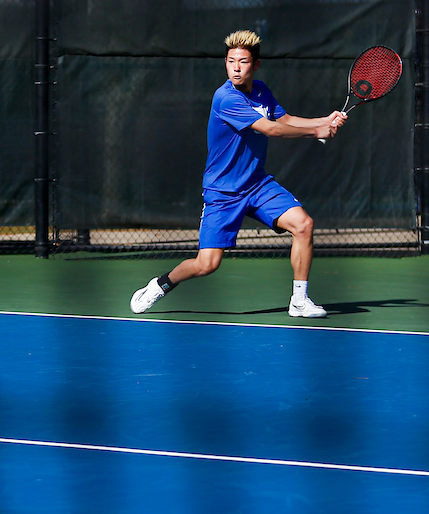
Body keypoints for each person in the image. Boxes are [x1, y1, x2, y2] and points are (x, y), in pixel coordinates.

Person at [130, 30, 346, 318]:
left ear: (254, 65)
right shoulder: (225, 98)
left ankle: (299, 300)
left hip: (257, 185)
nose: (235, 67)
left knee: (303, 225)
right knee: (207, 264)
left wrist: (325, 120)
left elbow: (286, 120)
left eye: (243, 62)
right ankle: (161, 285)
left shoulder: (261, 90)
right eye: (231, 61)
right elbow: (270, 129)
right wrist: (316, 131)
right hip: (223, 192)